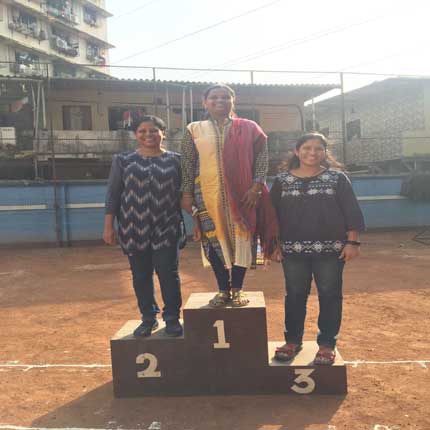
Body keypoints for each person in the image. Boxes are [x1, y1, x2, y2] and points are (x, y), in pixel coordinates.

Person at [270, 132, 365, 364]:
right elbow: (272, 217)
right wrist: (273, 245)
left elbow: (351, 211)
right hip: (292, 251)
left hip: (331, 251)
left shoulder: (337, 178)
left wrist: (352, 242)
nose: (312, 153)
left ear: (325, 152)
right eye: (306, 148)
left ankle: (327, 344)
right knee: (294, 295)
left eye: (318, 149)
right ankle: (292, 341)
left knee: (330, 295)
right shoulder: (282, 181)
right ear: (296, 151)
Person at [181, 84, 278, 307]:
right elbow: (186, 163)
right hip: (205, 193)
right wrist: (186, 193)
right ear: (204, 102)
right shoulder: (193, 129)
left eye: (226, 97)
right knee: (213, 240)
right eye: (214, 97)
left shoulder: (250, 127)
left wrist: (256, 186)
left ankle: (237, 289)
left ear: (234, 101)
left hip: (245, 194)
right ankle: (223, 289)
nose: (220, 100)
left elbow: (262, 158)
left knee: (243, 239)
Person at [103, 115, 183, 337]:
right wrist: (109, 226)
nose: (148, 135)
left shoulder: (176, 160)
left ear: (163, 133)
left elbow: (187, 195)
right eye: (142, 131)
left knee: (168, 273)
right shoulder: (123, 160)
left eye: (154, 130)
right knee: (140, 275)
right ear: (136, 134)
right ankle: (148, 318)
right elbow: (113, 194)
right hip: (132, 227)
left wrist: (198, 221)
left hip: (166, 227)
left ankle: (172, 318)